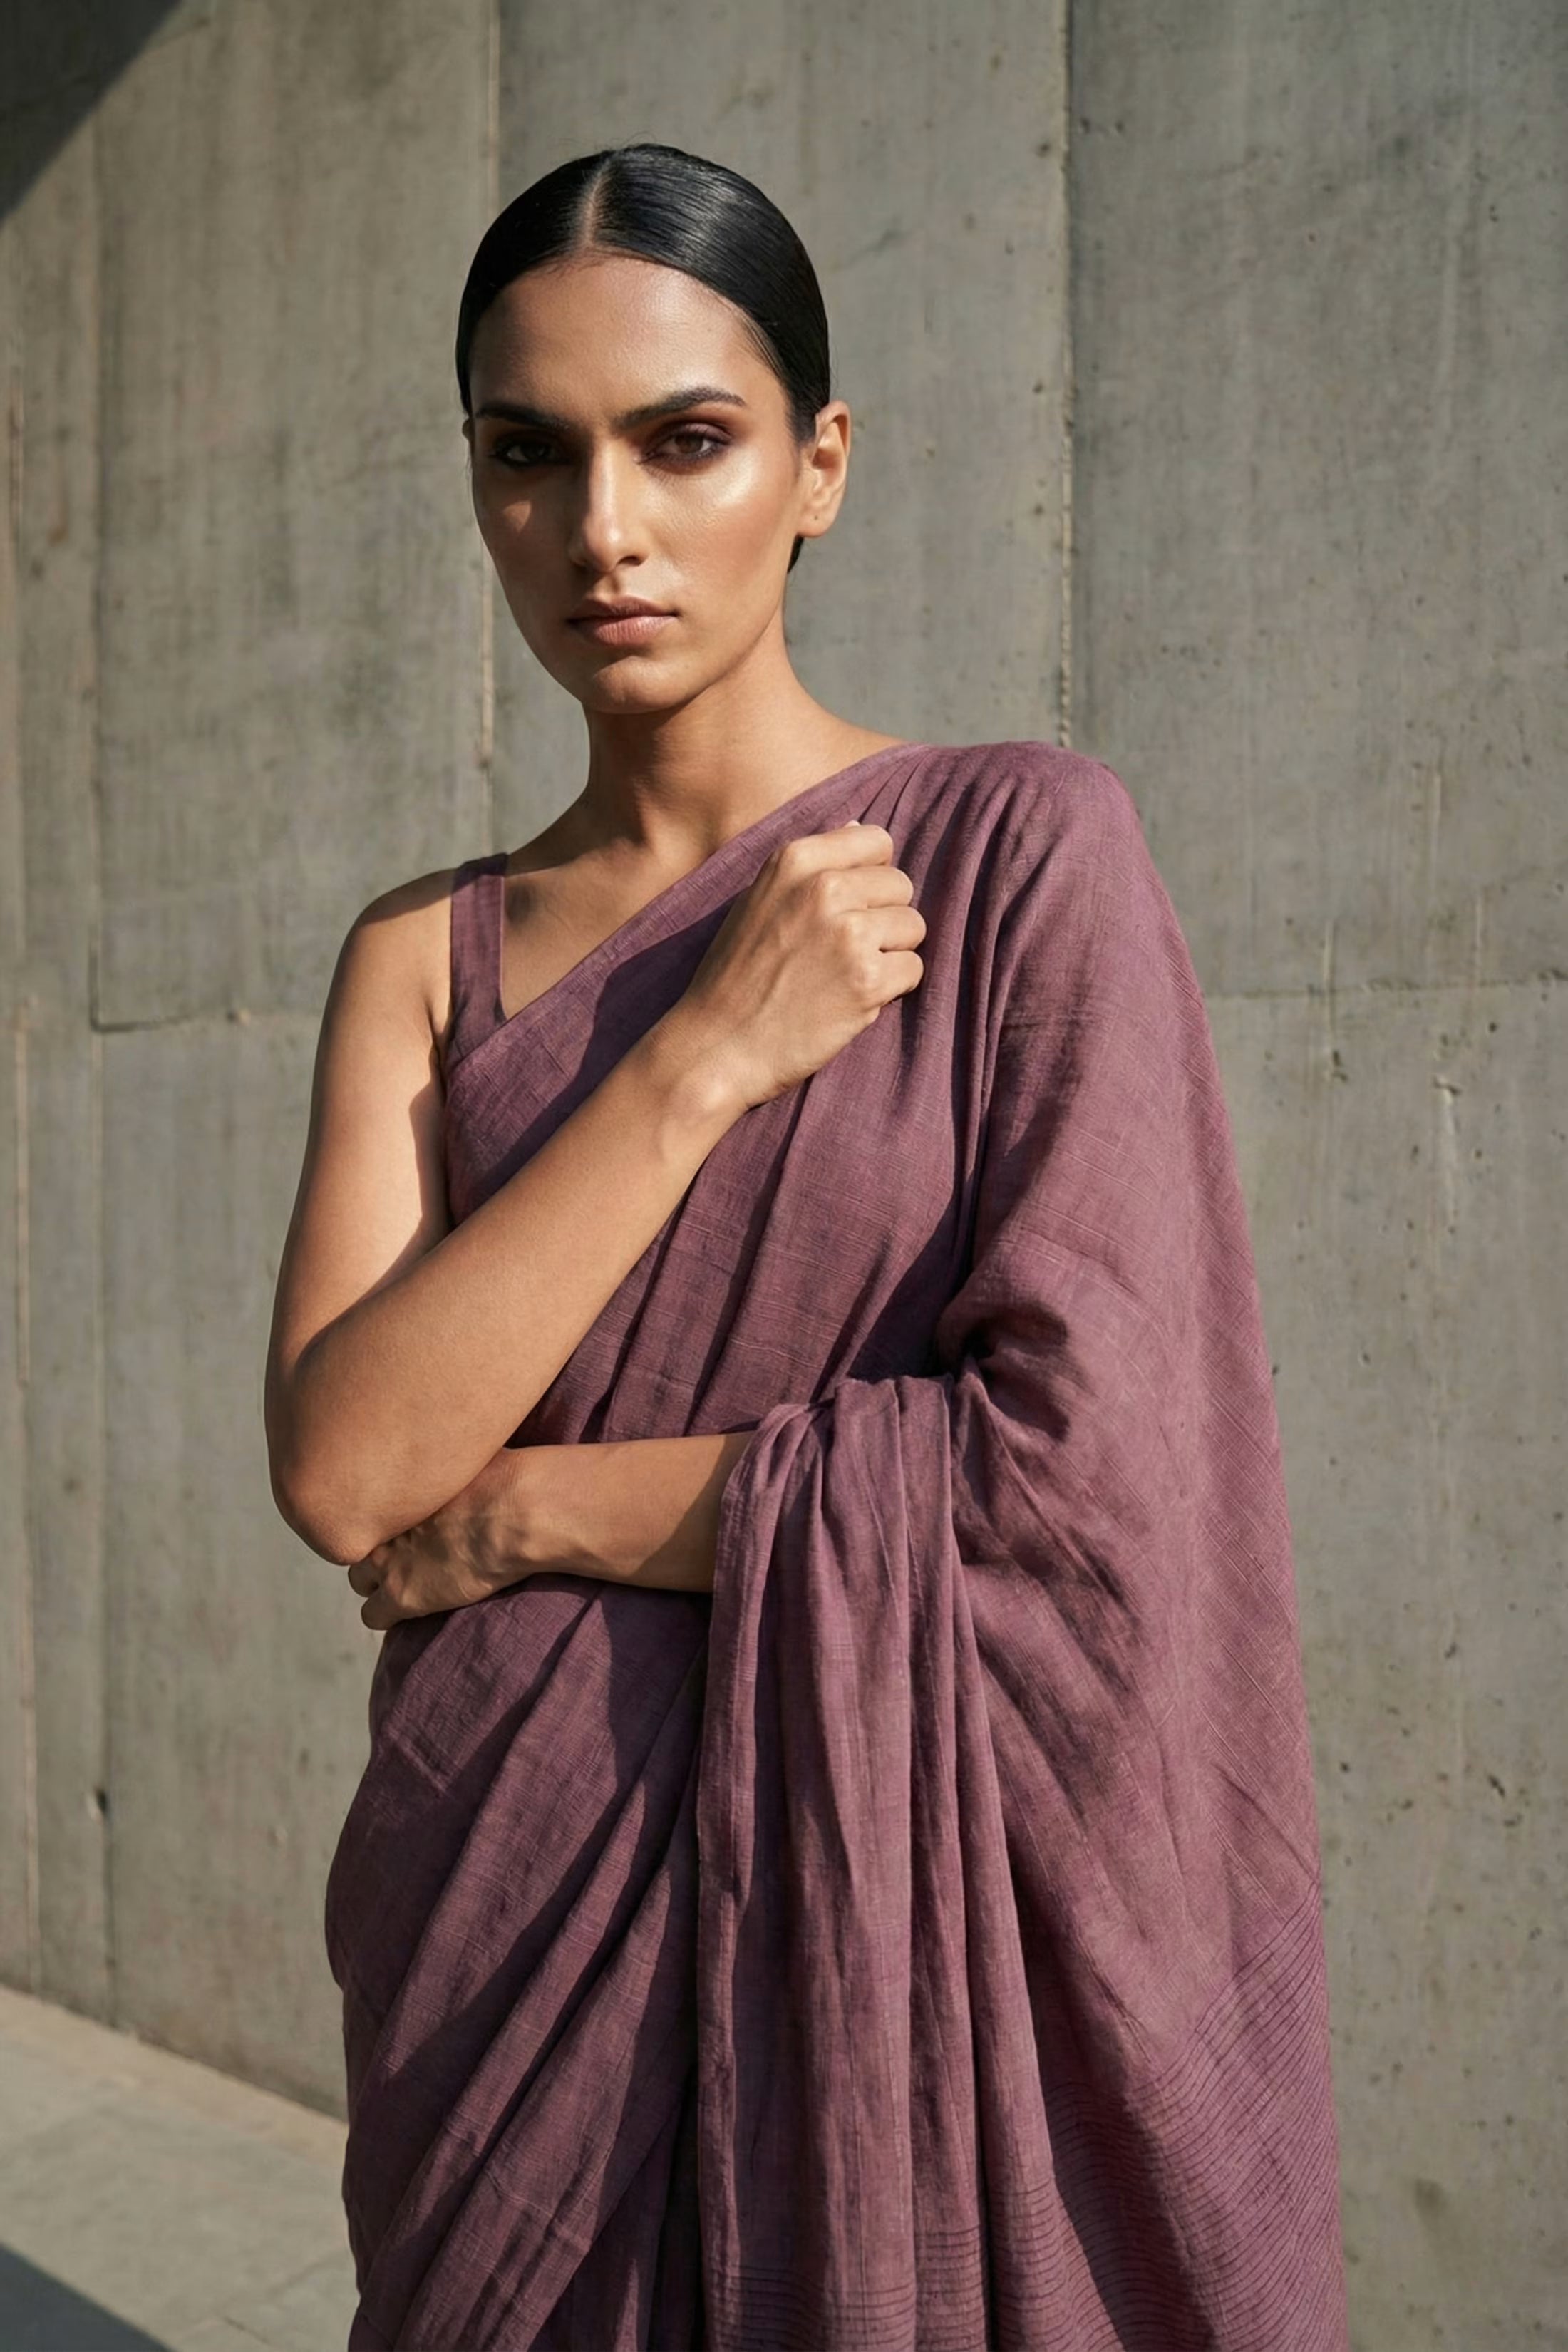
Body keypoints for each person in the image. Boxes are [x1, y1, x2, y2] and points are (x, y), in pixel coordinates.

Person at [264, 142, 1349, 2351]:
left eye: (685, 441)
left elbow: (1082, 1485)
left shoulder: (1018, 856)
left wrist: (545, 1504)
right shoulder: (423, 954)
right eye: (527, 457)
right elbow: (351, 1473)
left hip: (900, 1912)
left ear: (818, 464)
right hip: (505, 1936)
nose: (607, 532)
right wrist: (702, 1062)